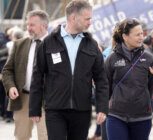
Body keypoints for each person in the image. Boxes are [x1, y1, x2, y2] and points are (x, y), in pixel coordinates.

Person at [28, 1, 109, 140]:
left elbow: (101, 79)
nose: (90, 22)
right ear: (73, 18)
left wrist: (102, 107)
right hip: (55, 109)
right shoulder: (48, 42)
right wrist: (34, 108)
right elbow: (37, 76)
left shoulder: (92, 45)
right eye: (87, 19)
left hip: (82, 110)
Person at [104, 18, 153, 140]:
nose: (141, 37)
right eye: (137, 34)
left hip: (142, 117)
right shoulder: (112, 59)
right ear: (125, 37)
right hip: (116, 116)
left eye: (142, 34)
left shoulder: (149, 59)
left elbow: (151, 86)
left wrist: (143, 102)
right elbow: (106, 86)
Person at [2, 10, 49, 140]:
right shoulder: (19, 44)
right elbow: (7, 70)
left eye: (32, 25)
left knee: (45, 136)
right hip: (23, 98)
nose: (28, 28)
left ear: (44, 25)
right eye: (27, 24)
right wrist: (10, 87)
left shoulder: (56, 44)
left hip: (47, 100)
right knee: (21, 137)